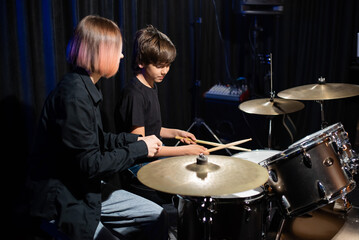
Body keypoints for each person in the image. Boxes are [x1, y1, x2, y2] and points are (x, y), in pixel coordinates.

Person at [27, 15, 169, 240]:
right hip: (65, 200)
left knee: (156, 215)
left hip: (84, 187)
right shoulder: (73, 97)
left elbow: (99, 140)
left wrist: (137, 141)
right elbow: (91, 165)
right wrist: (140, 150)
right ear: (102, 52)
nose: (122, 56)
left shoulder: (84, 88)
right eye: (118, 50)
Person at [115, 25, 208, 162]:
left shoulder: (150, 85)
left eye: (168, 65)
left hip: (153, 153)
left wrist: (177, 133)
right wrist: (184, 151)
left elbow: (153, 131)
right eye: (159, 66)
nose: (165, 71)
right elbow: (140, 146)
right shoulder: (135, 94)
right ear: (141, 62)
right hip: (139, 164)